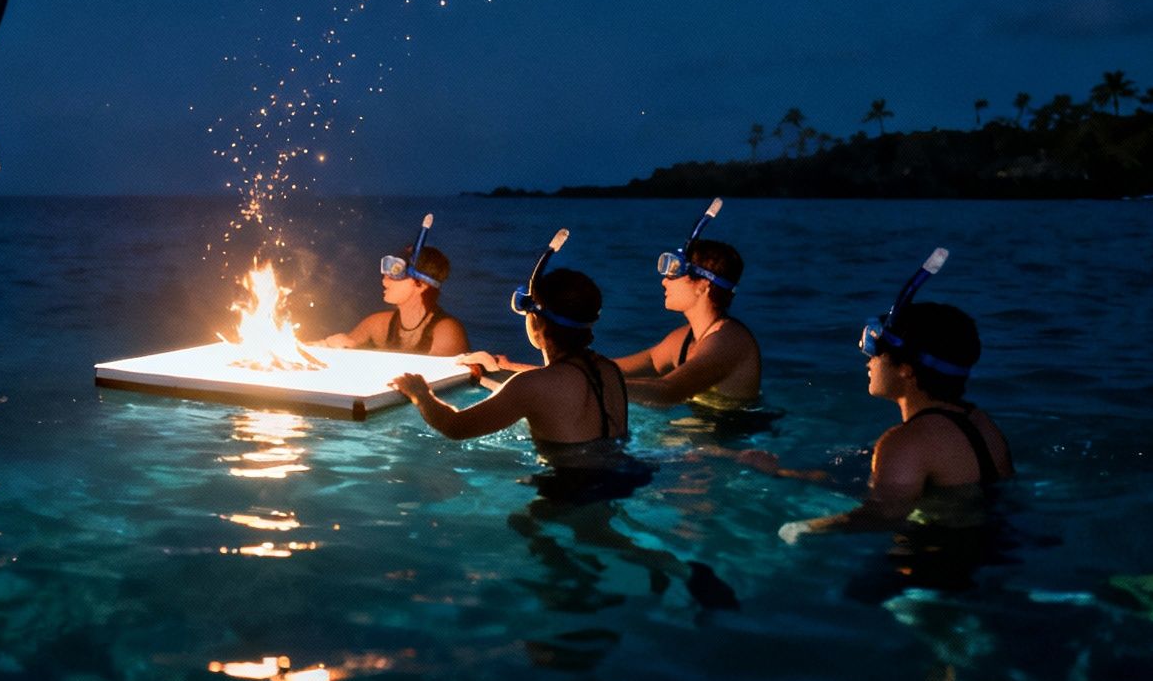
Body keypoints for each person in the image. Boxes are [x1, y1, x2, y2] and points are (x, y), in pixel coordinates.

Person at [781, 250, 1014, 543]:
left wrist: (804, 528)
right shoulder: (982, 423)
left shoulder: (904, 441)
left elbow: (883, 515)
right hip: (992, 545)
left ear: (905, 370)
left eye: (876, 353)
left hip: (933, 563)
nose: (869, 362)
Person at [390, 250, 626, 445]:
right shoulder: (609, 371)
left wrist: (421, 394)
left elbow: (455, 427)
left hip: (565, 495)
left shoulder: (531, 386)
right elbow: (555, 388)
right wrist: (495, 370)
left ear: (536, 320)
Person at [616, 200, 761, 408]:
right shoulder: (683, 339)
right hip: (698, 433)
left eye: (675, 274)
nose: (664, 280)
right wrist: (575, 366)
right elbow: (645, 363)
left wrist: (597, 387)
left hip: (732, 438)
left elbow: (669, 391)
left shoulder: (729, 342)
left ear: (702, 286)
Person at [318, 214, 468, 357]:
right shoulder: (377, 324)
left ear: (421, 284)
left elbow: (441, 379)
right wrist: (328, 346)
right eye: (386, 275)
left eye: (395, 274)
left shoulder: (446, 331)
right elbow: (339, 346)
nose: (384, 281)